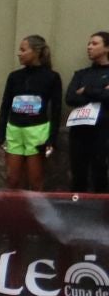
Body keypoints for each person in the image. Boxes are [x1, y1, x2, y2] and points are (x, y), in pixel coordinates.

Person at [0, 35, 63, 192]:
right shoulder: (14, 77)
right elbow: (5, 105)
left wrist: (51, 139)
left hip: (37, 131)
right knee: (13, 179)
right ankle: (14, 212)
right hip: (14, 130)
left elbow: (56, 110)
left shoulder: (52, 77)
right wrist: (1, 134)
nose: (19, 53)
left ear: (36, 52)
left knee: (35, 180)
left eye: (23, 50)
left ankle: (34, 213)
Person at [63, 31, 109, 193]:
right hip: (80, 129)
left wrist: (87, 90)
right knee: (78, 173)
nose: (89, 47)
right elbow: (70, 98)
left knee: (100, 172)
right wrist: (100, 92)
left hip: (103, 130)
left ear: (107, 48)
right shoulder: (81, 74)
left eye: (95, 44)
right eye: (89, 43)